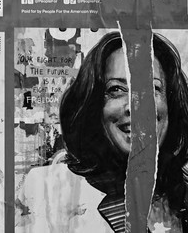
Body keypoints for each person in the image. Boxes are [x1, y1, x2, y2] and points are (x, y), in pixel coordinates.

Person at [20, 32, 188, 232]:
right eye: (116, 89)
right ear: (93, 106)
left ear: (171, 106)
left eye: (151, 88)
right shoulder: (44, 189)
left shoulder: (181, 197)